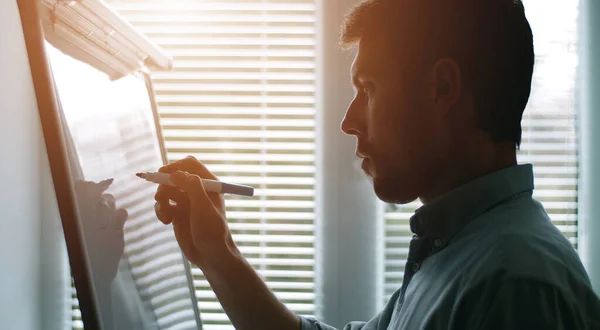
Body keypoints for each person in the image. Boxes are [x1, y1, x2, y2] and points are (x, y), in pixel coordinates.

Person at [153, 0, 600, 329]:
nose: (348, 121)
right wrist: (218, 254)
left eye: (368, 87)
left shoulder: (512, 286)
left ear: (443, 88)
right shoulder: (457, 251)